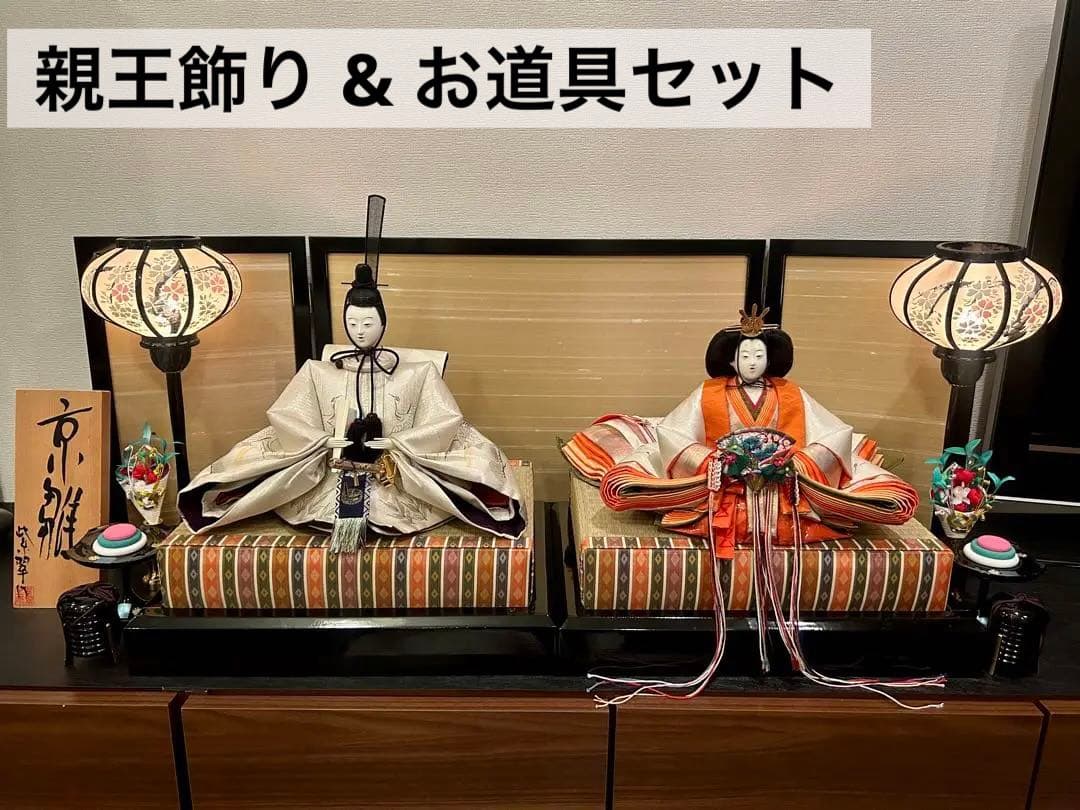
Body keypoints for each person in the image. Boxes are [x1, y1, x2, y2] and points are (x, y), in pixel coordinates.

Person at [562, 305, 918, 558]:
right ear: (731, 360)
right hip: (721, 483)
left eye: (759, 355)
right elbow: (673, 433)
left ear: (769, 360)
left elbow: (833, 434)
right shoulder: (708, 392)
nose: (751, 362)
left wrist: (797, 463)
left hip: (785, 486)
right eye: (744, 356)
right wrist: (714, 462)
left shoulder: (791, 393)